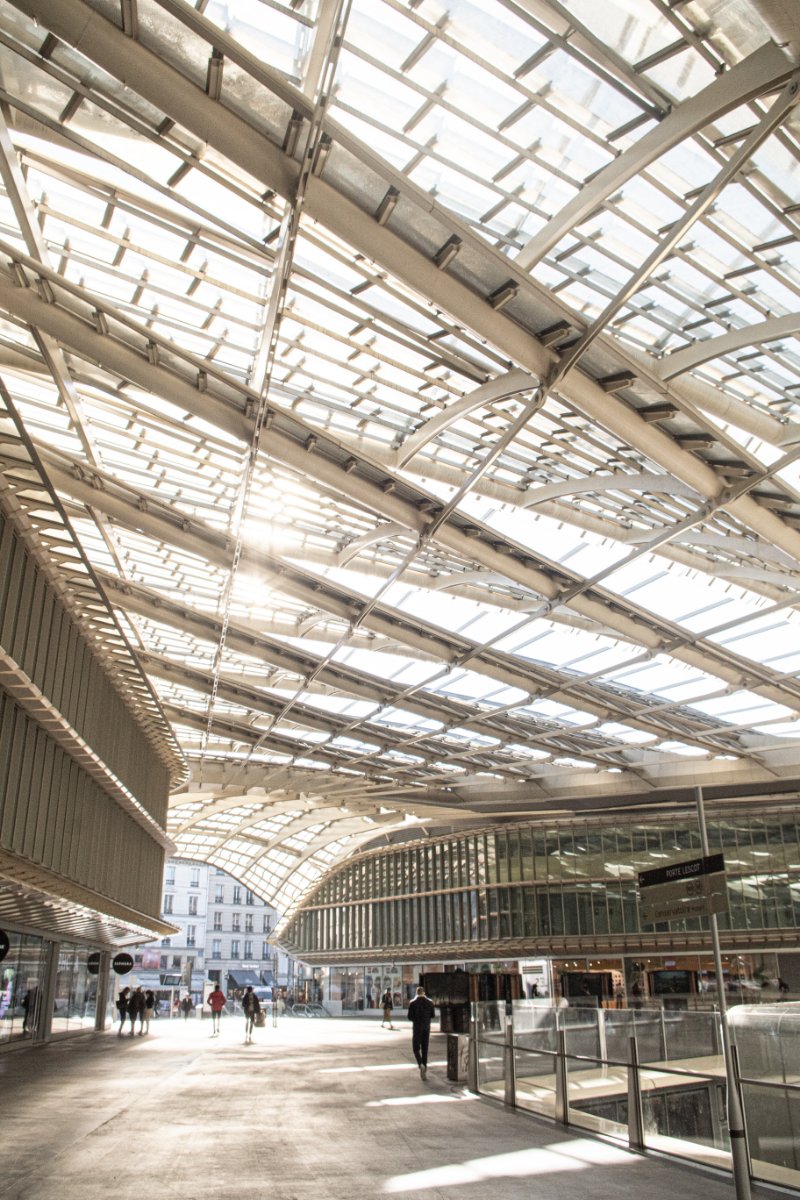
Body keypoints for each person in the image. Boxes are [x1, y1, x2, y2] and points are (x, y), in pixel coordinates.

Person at [407, 985, 435, 1081]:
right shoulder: (430, 1003)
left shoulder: (412, 1003)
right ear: (424, 992)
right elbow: (433, 1015)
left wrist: (416, 1018)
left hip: (417, 1028)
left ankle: (420, 1064)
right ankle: (425, 1069)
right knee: (425, 1048)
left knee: (415, 1048)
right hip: (426, 1028)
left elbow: (409, 1017)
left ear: (416, 993)